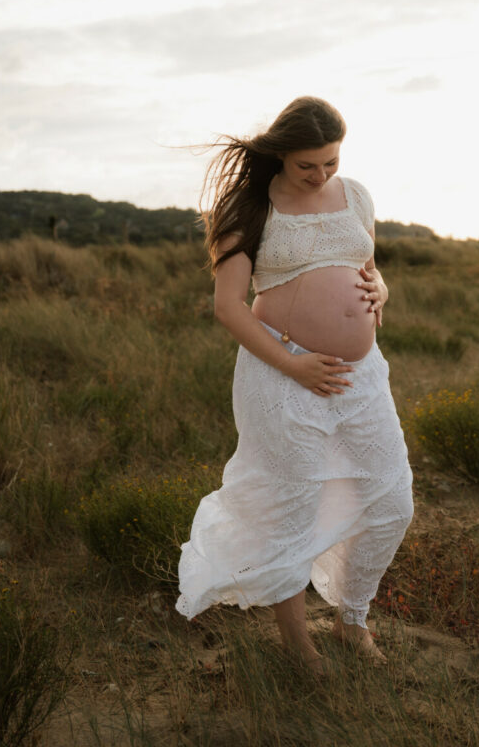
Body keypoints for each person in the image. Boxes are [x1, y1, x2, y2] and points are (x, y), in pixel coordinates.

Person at [176, 97, 414, 674]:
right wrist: (294, 364)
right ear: (281, 154)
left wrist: (380, 290)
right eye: (309, 165)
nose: (321, 174)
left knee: (392, 497)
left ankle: (351, 618)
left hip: (361, 374)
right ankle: (297, 643)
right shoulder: (250, 207)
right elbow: (229, 308)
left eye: (330, 161)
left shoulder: (355, 195)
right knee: (293, 505)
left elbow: (366, 264)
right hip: (282, 375)